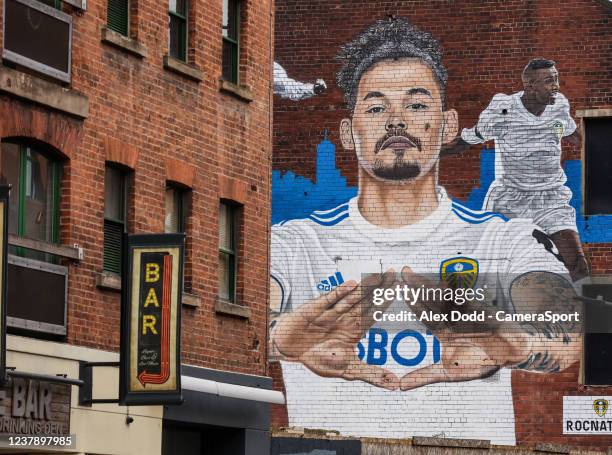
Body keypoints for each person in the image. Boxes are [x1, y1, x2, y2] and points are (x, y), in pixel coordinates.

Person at [270, 18, 581, 443]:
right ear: (348, 132)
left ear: (449, 125)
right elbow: (239, 314)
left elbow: (567, 327)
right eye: (377, 107)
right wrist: (282, 339)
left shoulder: (505, 239)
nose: (397, 121)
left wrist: (512, 342)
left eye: (417, 105)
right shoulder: (293, 243)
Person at [443, 58, 589, 281]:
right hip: (510, 200)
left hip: (551, 199)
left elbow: (574, 137)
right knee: (491, 269)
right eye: (549, 81)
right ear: (530, 85)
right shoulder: (503, 110)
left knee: (577, 264)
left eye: (557, 79)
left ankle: (586, 315)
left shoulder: (558, 105)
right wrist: (429, 153)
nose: (556, 87)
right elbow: (467, 140)